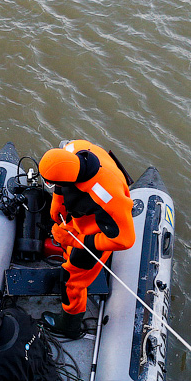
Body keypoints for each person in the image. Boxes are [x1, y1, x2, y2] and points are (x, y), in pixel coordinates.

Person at [38, 139, 135, 339]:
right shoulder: (74, 148)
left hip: (96, 238)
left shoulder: (105, 195)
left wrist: (76, 240)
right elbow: (63, 179)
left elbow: (125, 240)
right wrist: (57, 201)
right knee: (67, 249)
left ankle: (69, 324)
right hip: (81, 221)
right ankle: (70, 256)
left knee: (71, 280)